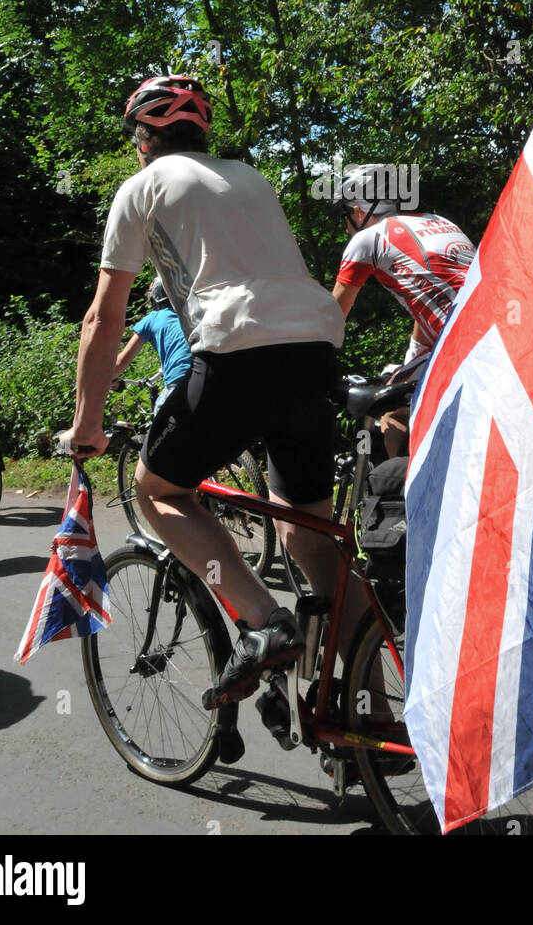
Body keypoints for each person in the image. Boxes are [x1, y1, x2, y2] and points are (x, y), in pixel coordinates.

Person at [65, 74, 346, 708]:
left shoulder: (142, 188)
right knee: (309, 531)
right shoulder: (250, 178)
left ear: (144, 138)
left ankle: (264, 621)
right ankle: (367, 711)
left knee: (158, 489)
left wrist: (87, 423)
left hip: (236, 353)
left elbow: (104, 317)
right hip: (313, 353)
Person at [331, 164, 476, 454]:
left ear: (359, 211)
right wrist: (413, 356)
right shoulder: (440, 221)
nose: (346, 227)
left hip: (463, 344)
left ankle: (402, 488)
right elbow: (434, 294)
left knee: (392, 414)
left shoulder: (368, 239)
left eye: (345, 216)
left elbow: (329, 320)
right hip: (493, 328)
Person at [111, 277, 192, 412]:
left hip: (179, 382)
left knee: (159, 424)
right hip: (208, 376)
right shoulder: (191, 313)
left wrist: (107, 380)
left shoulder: (153, 318)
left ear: (155, 297)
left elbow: (119, 364)